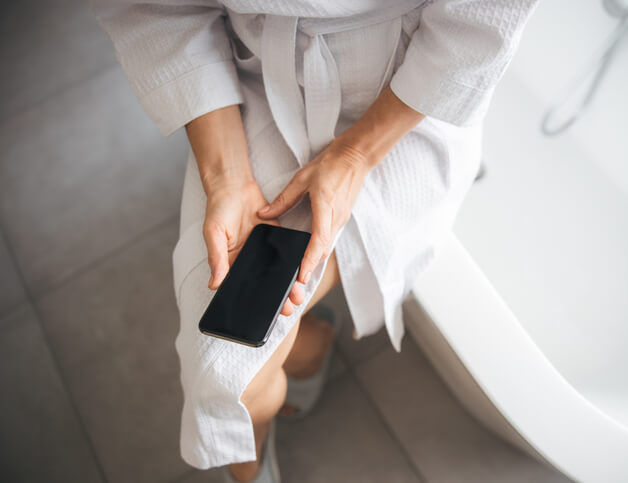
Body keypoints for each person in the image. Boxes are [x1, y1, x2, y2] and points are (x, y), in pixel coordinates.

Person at [92, 0, 538, 481]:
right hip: (259, 74)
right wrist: (226, 176)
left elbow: (480, 22)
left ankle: (292, 374)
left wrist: (354, 156)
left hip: (408, 94)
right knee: (223, 376)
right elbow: (150, 10)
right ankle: (306, 349)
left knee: (234, 369)